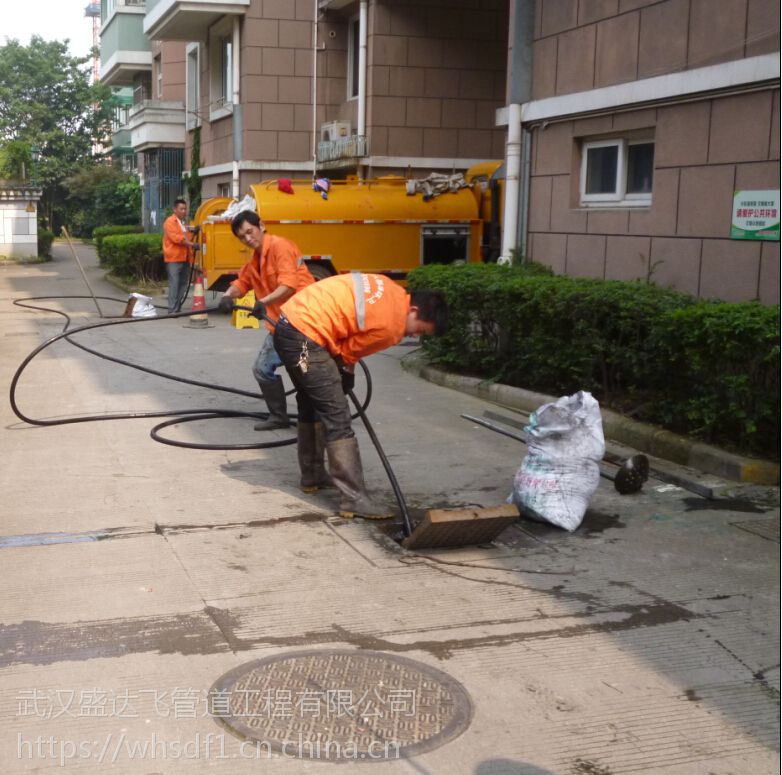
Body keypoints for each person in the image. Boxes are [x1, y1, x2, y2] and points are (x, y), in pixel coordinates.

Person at [272, 272, 448, 519]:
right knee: (338, 415)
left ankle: (312, 474)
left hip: (289, 324)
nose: (415, 336)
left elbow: (351, 335)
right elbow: (346, 352)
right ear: (414, 310)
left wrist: (345, 371)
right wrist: (343, 374)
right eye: (420, 330)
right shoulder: (393, 326)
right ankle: (354, 498)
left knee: (311, 402)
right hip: (306, 336)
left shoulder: (391, 289)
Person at [216, 210, 315, 433]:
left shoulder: (281, 247)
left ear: (261, 225)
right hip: (280, 324)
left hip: (304, 323)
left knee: (306, 372)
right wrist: (227, 296)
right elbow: (242, 282)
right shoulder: (254, 260)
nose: (248, 238)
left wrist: (263, 300)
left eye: (250, 232)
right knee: (263, 369)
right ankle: (279, 416)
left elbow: (289, 284)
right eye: (242, 237)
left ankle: (324, 413)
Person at [162, 198, 196, 314]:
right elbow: (177, 239)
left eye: (185, 209)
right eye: (181, 209)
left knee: (183, 284)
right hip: (173, 259)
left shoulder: (183, 223)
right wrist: (192, 244)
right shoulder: (170, 222)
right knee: (174, 284)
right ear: (175, 209)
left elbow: (188, 237)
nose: (184, 211)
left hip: (185, 258)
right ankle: (172, 309)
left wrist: (194, 232)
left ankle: (177, 307)